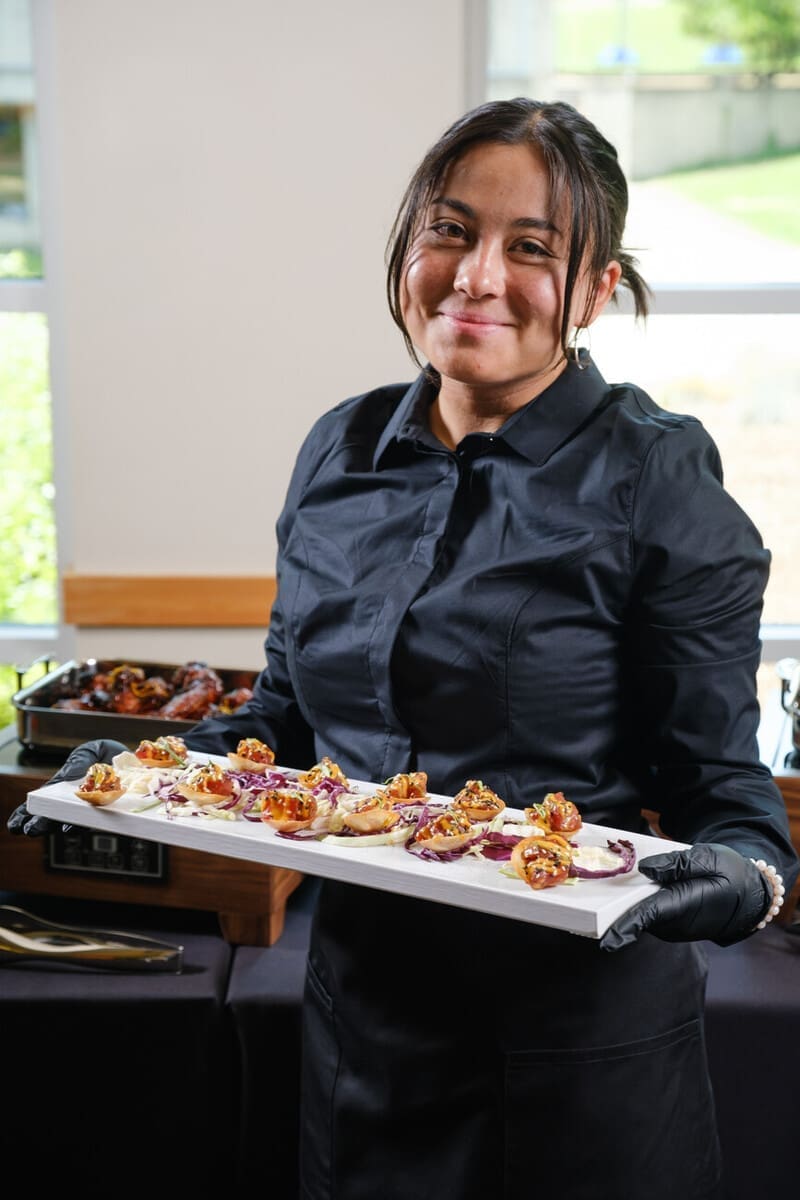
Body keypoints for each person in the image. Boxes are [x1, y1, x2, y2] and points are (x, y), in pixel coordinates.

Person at [10, 98, 798, 1199]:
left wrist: (739, 878)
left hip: (576, 1057)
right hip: (365, 1031)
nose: (475, 276)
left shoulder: (656, 481)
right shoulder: (337, 449)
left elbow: (727, 801)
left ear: (594, 291)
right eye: (448, 230)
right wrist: (121, 777)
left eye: (530, 248)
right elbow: (279, 718)